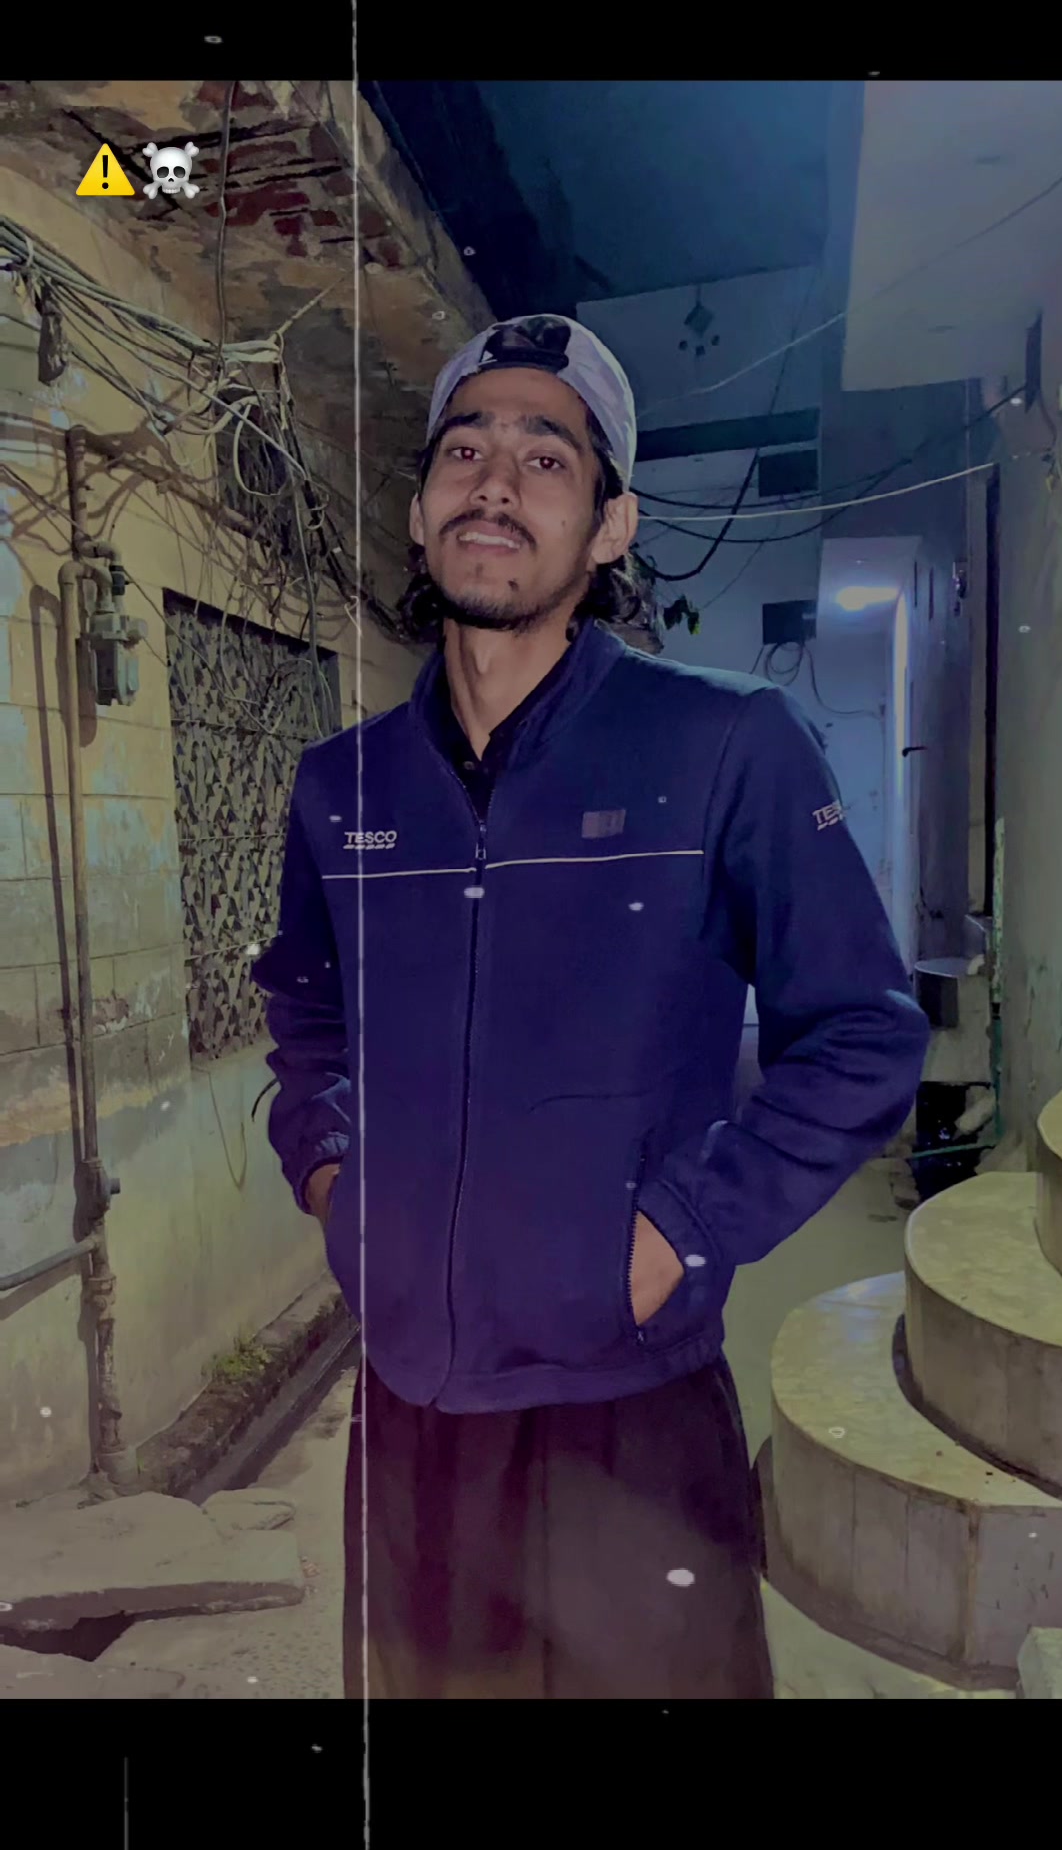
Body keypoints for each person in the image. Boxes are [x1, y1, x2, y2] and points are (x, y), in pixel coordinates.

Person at [253, 313, 929, 1700]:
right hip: (411, 1412)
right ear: (419, 509)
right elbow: (307, 1013)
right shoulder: (343, 787)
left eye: (546, 457)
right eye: (463, 451)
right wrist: (333, 1176)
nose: (495, 483)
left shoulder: (723, 745)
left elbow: (862, 1035)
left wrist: (682, 1227)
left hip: (631, 1415)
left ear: (610, 528)